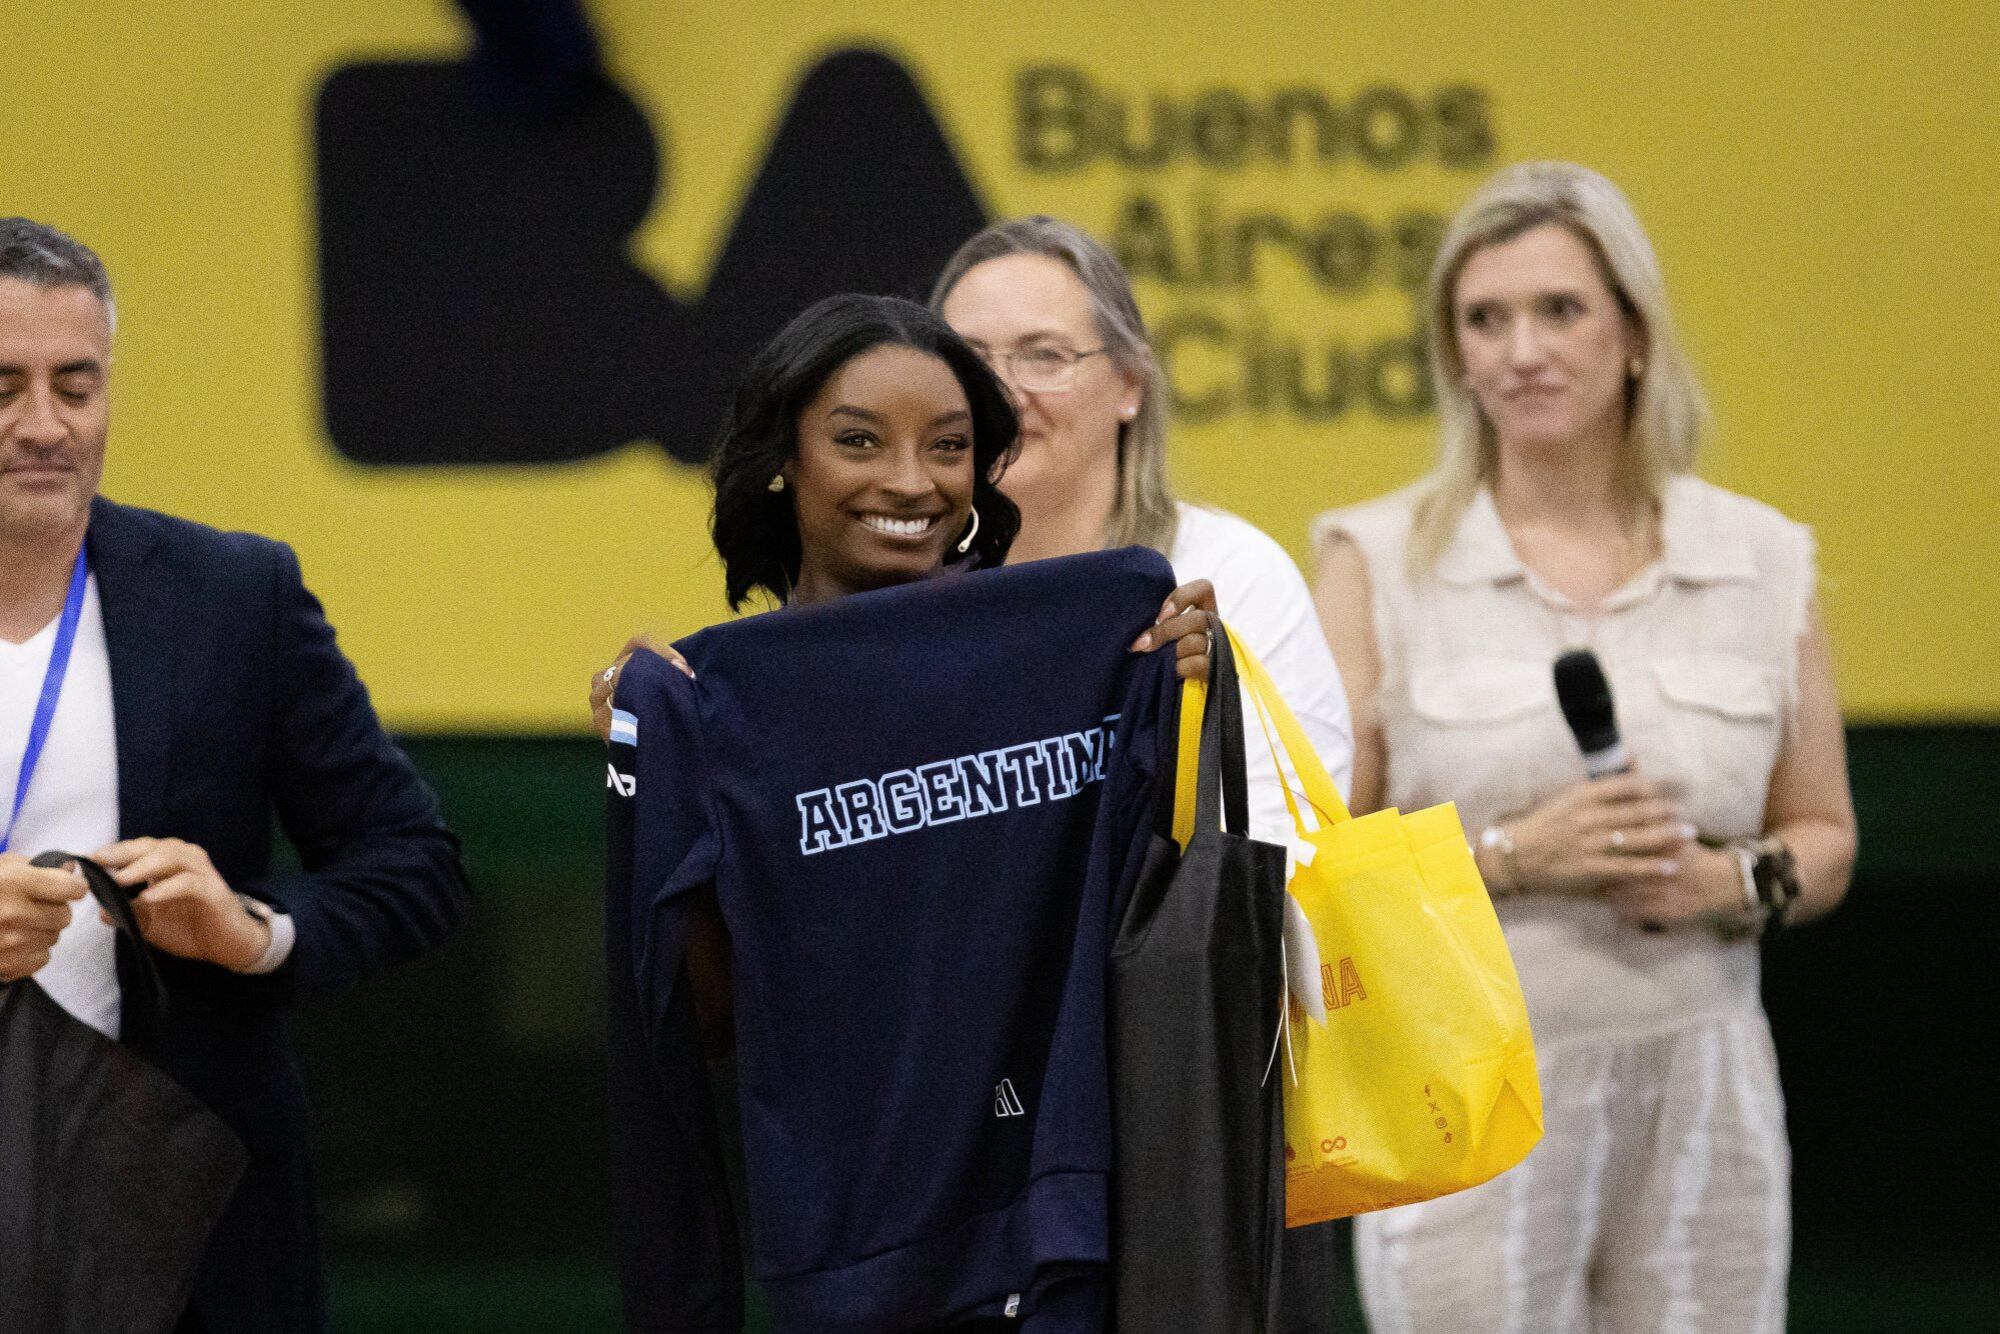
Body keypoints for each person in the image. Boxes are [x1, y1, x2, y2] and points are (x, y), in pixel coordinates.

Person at [1311, 162, 1857, 1332]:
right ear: (1453, 353)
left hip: (1703, 1080)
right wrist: (1509, 855)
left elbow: (1824, 835)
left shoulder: (1762, 559)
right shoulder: (1373, 559)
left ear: (1632, 334)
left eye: (1557, 309)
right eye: (1483, 318)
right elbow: (1321, 864)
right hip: (1464, 1088)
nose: (1519, 349)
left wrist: (1728, 880)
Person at [598, 292, 1209, 1332]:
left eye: (949, 445)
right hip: (856, 1254)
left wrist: (1183, 701)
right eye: (856, 440)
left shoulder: (1091, 647)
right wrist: (649, 764)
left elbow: (1173, 915)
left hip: (1075, 1227)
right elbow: (701, 1019)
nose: (908, 480)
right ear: (783, 459)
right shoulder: (707, 705)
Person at [0, 218, 468, 1334]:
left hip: (172, 1229)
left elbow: (415, 865)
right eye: (3, 385)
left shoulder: (229, 596)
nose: (42, 425)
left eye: (76, 384)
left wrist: (250, 932)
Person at [930, 216, 1355, 825]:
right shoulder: (899, 587)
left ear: (1129, 382)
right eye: (967, 361)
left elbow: (1284, 848)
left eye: (1044, 356)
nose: (1000, 393)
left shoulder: (1229, 572)